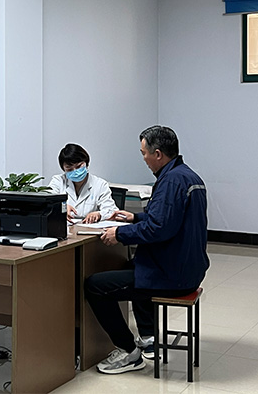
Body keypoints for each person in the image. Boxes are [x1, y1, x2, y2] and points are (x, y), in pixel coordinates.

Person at [84, 125, 209, 374]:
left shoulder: (171, 181)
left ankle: (128, 351)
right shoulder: (187, 176)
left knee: (95, 286)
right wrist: (135, 218)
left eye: (144, 153)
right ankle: (149, 337)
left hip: (173, 276)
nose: (144, 159)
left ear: (158, 154)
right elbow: (169, 220)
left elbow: (158, 229)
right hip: (188, 268)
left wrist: (119, 234)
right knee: (131, 266)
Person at [48, 143, 117, 224]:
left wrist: (99, 214)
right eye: (69, 169)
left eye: (78, 166)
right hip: (64, 227)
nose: (75, 171)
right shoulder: (58, 181)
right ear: (63, 169)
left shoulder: (100, 184)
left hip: (90, 228)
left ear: (86, 163)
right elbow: (47, 202)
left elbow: (112, 211)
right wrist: (61, 207)